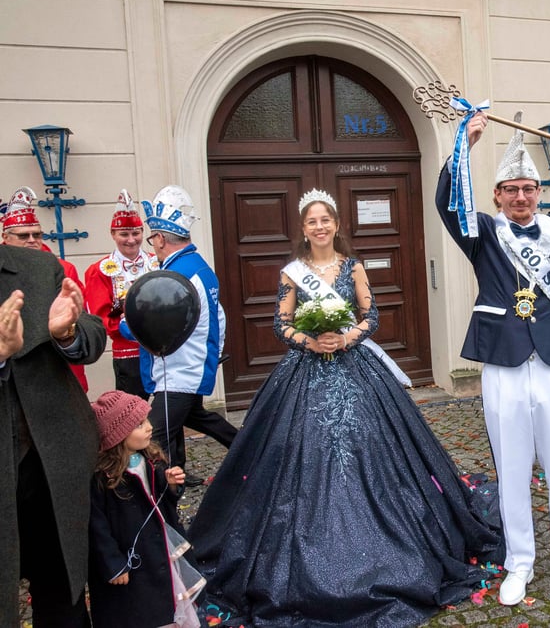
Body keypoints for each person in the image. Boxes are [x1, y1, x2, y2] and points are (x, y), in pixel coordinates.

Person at [188, 189, 501, 627]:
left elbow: (370, 317)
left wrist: (347, 338)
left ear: (336, 225)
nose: (319, 227)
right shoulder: (293, 273)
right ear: (303, 228)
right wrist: (310, 340)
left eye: (326, 220)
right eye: (312, 221)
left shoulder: (353, 267)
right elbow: (281, 323)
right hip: (305, 367)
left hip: (354, 364)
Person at [437, 112, 550, 605]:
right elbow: (447, 207)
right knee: (512, 467)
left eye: (528, 189)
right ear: (496, 196)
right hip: (504, 360)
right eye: (510, 189)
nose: (520, 197)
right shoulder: (483, 234)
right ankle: (519, 562)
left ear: (539, 192)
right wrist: (462, 149)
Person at [1, 244, 106, 628]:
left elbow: (93, 333)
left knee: (62, 589)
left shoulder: (38, 265)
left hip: (52, 469)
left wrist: (69, 334)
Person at [136, 186, 237, 480]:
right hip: (190, 366)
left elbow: (156, 323)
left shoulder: (176, 275)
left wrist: (128, 324)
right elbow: (220, 315)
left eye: (151, 238)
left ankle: (166, 499)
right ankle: (249, 447)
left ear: (159, 239)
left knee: (153, 439)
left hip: (178, 372)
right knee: (199, 417)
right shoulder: (197, 267)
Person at [88, 390, 205, 628]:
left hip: (160, 549)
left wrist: (170, 485)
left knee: (166, 599)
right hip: (132, 559)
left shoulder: (150, 460)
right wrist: (113, 563)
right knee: (139, 608)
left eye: (147, 420)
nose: (149, 427)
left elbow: (162, 502)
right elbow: (96, 526)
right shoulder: (102, 478)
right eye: (139, 425)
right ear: (118, 435)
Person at [3, 185, 90, 391]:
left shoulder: (63, 268)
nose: (33, 241)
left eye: (37, 234)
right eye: (24, 236)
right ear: (6, 238)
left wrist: (68, 332)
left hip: (57, 367)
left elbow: (83, 317)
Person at [84, 190, 160, 398]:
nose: (131, 240)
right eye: (124, 234)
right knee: (133, 413)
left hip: (163, 352)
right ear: (113, 234)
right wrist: (131, 329)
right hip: (129, 353)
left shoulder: (158, 262)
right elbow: (101, 317)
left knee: (169, 413)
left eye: (136, 233)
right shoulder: (98, 270)